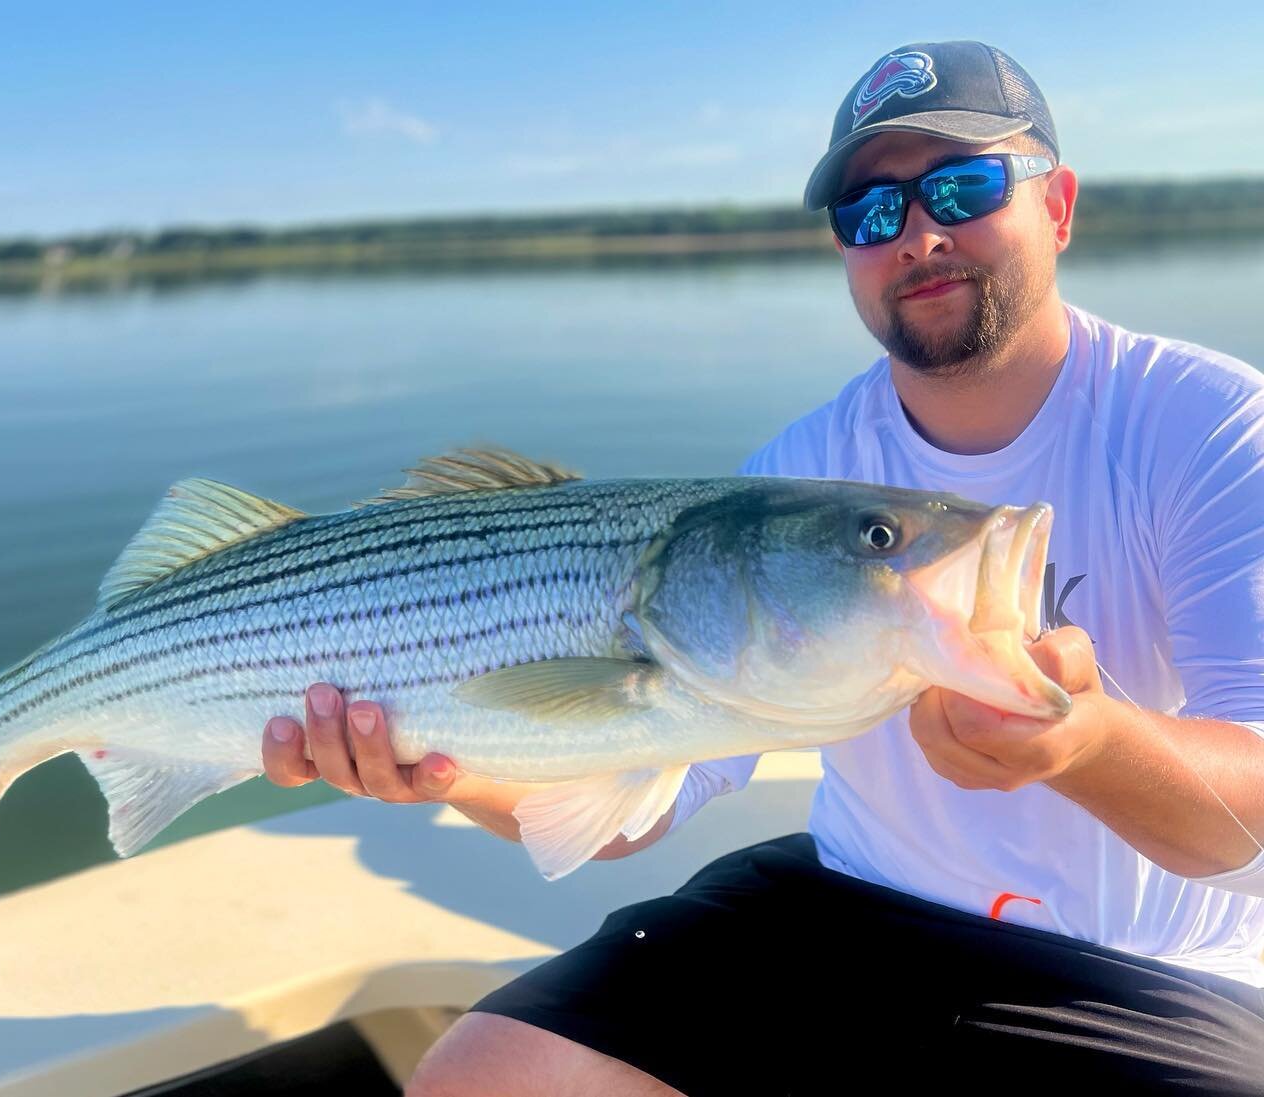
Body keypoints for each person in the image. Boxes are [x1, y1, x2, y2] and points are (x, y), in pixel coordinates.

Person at [261, 41, 1264, 1095]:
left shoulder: (1211, 427)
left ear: (1057, 206)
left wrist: (1089, 743)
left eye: (963, 186)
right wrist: (439, 760)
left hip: (1152, 964)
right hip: (852, 902)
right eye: (870, 211)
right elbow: (641, 799)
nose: (918, 233)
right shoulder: (798, 470)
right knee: (482, 1074)